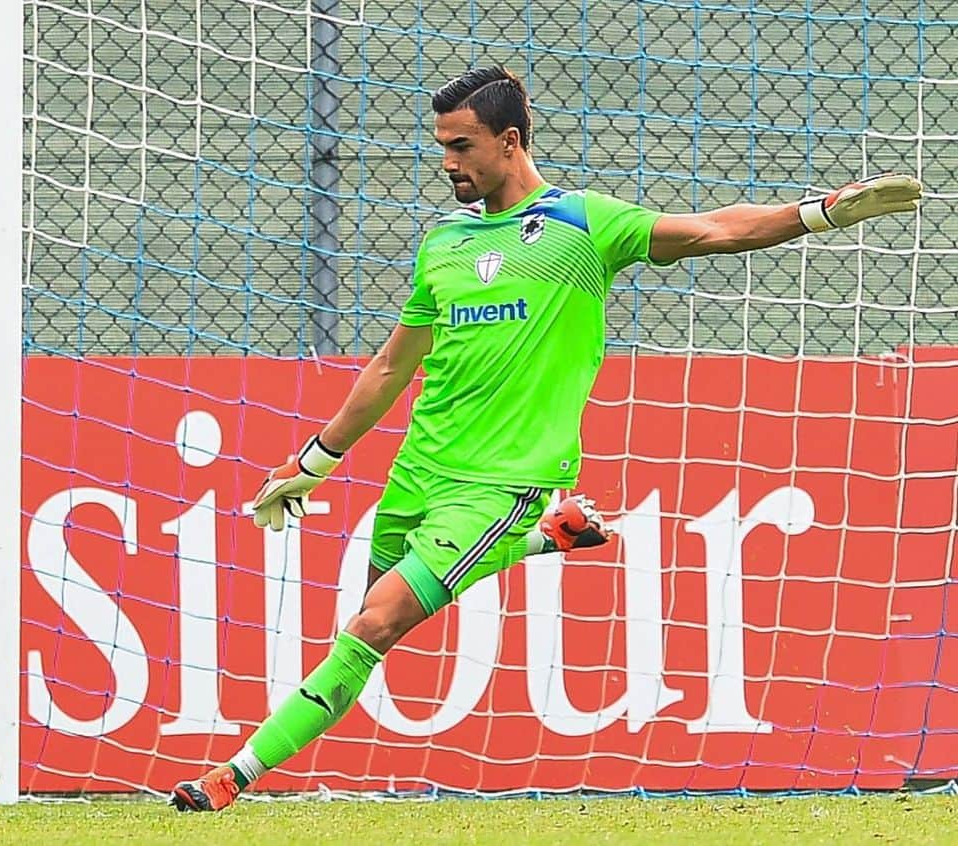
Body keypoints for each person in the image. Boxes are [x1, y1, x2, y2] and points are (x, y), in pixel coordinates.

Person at [170, 66, 921, 811]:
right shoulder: (444, 244)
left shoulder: (581, 225)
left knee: (373, 622)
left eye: (462, 145)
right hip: (418, 472)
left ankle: (230, 776)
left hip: (500, 483)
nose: (448, 162)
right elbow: (392, 364)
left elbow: (713, 230)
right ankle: (543, 541)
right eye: (442, 146)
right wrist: (313, 463)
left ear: (509, 139)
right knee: (365, 633)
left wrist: (819, 213)